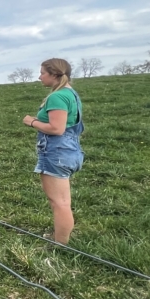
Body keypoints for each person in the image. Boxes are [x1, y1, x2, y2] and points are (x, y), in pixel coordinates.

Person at [23, 58, 85, 245]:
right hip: (70, 150)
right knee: (62, 201)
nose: (39, 76)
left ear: (55, 75)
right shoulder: (70, 94)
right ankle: (60, 237)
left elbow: (56, 129)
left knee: (59, 203)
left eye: (42, 72)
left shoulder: (57, 97)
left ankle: (60, 244)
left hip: (56, 152)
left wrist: (31, 122)